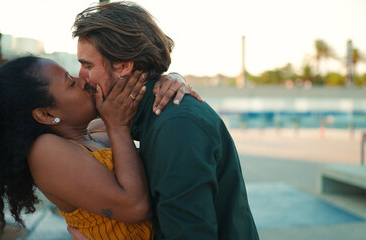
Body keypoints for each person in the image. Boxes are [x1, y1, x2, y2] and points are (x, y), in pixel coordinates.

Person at [71, 2, 259, 239]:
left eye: (87, 65)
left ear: (123, 66)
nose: (81, 75)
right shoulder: (143, 116)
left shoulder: (177, 127)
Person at [0, 56, 198, 240]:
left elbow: (145, 91)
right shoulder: (45, 150)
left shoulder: (99, 128)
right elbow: (136, 208)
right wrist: (118, 128)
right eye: (71, 83)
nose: (85, 81)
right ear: (46, 115)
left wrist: (173, 78)